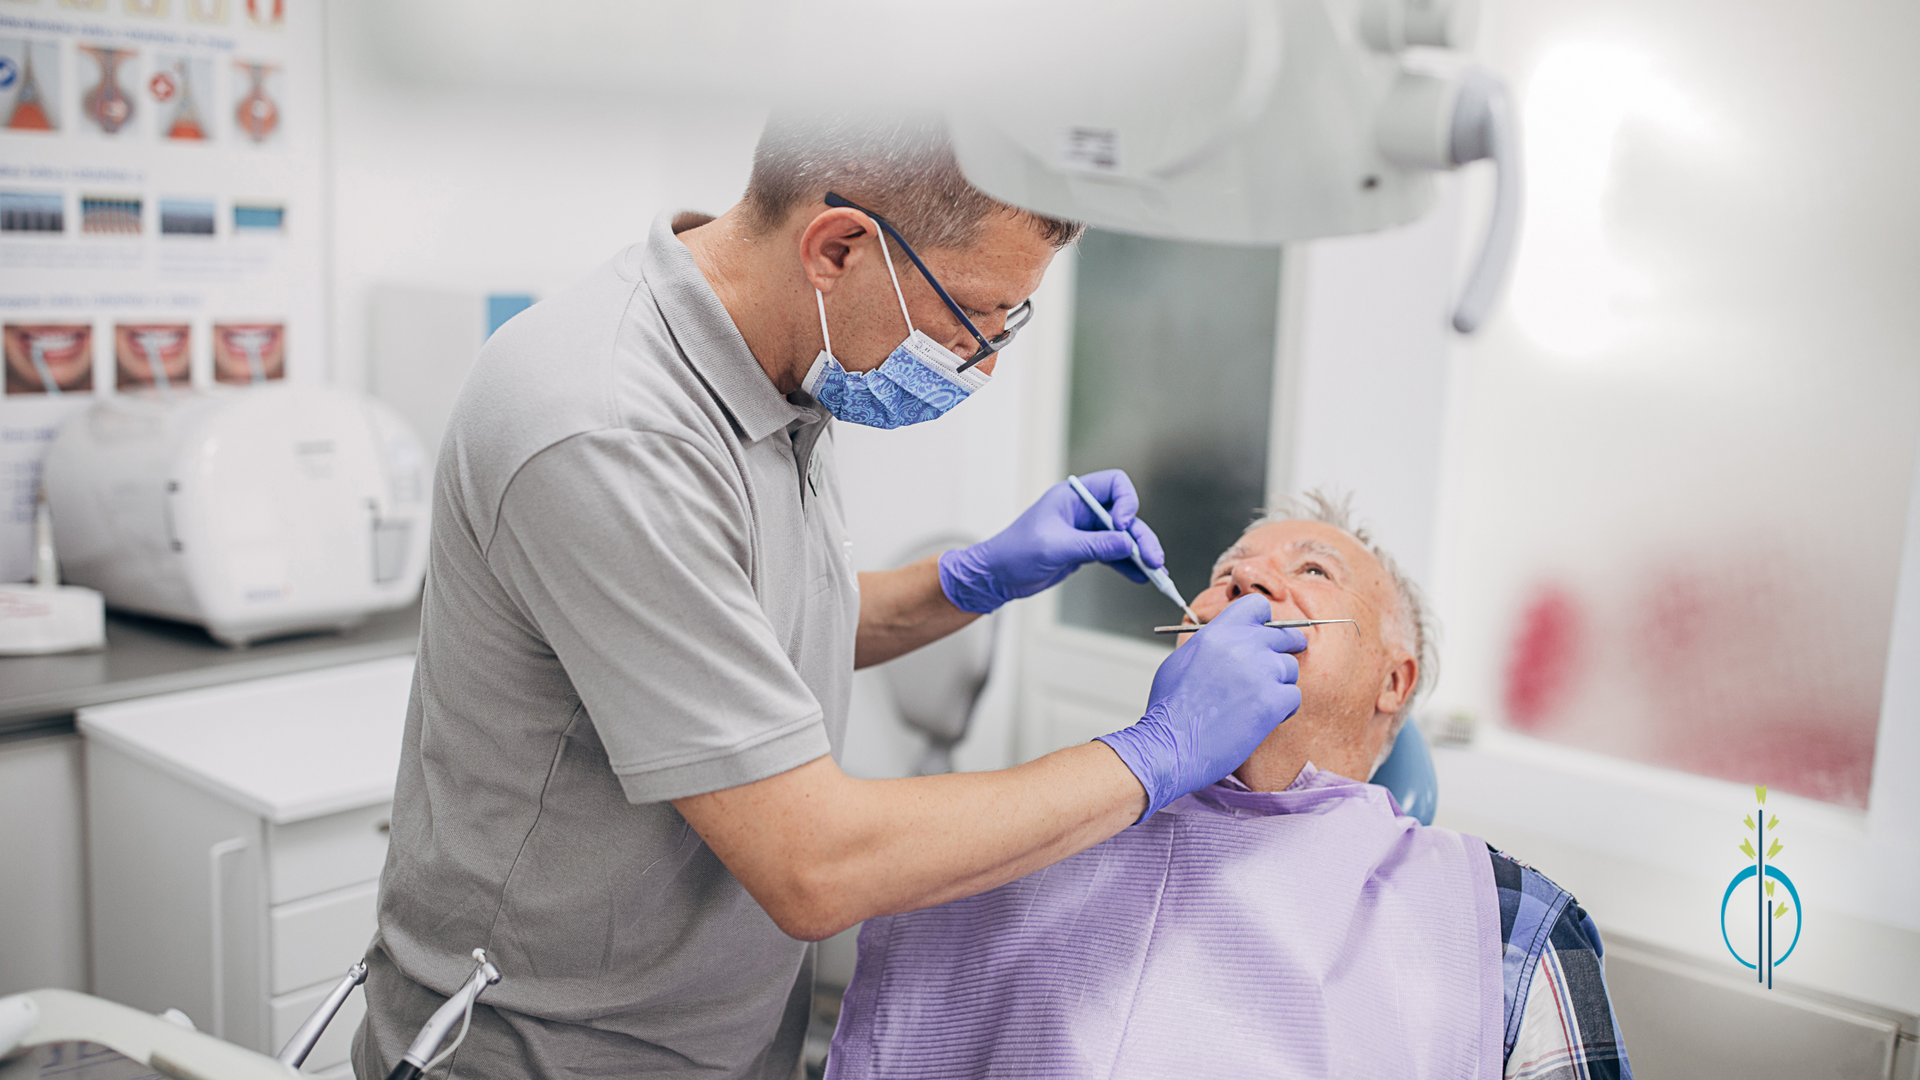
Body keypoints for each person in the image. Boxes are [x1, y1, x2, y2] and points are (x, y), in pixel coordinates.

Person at [353, 114, 1313, 1080]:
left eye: (1007, 324)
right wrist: (1155, 753)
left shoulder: (786, 363)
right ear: (839, 249)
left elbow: (738, 634)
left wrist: (971, 579)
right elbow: (816, 866)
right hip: (550, 1058)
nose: (981, 361)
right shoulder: (607, 429)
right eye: (973, 315)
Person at [826, 493, 1634, 1080]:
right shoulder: (1033, 831)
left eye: (1312, 570)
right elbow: (826, 861)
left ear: (1396, 679)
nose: (1247, 579)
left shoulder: (1507, 921)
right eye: (1225, 573)